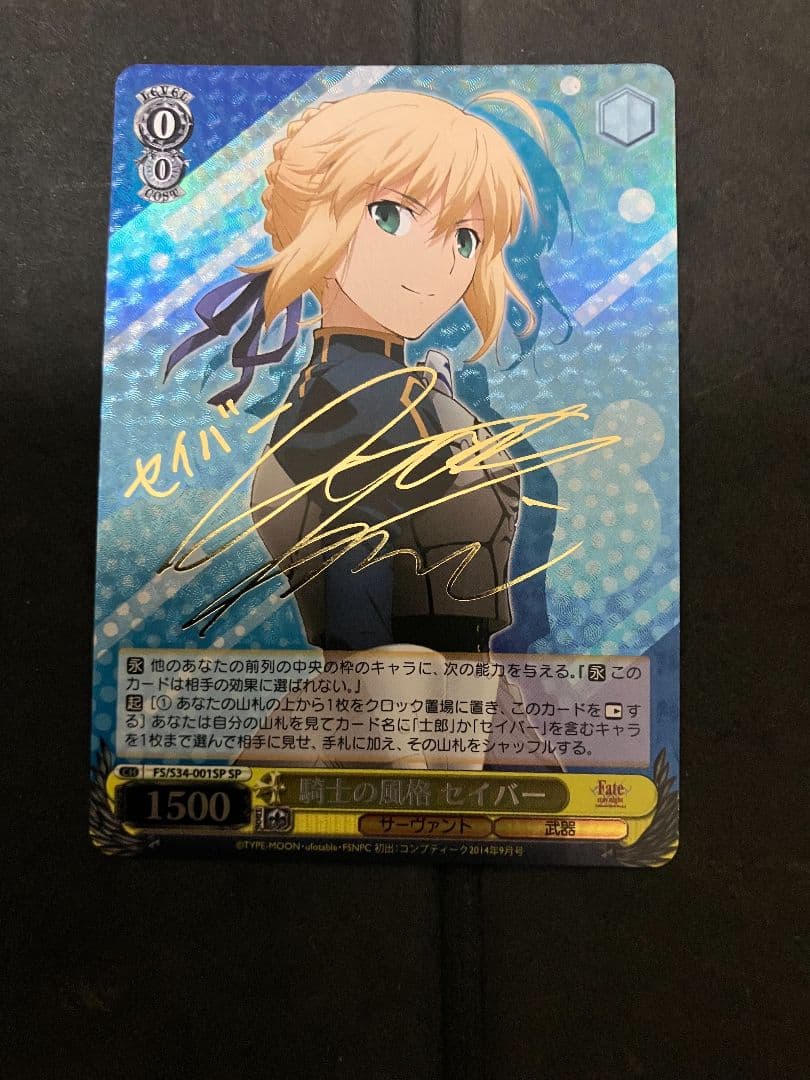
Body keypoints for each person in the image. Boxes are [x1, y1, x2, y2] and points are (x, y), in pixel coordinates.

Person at [168, 88, 576, 652]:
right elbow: (359, 629)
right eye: (392, 215)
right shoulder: (345, 405)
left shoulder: (401, 392)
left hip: (449, 694)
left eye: (465, 239)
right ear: (317, 223)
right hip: (403, 696)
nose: (439, 262)